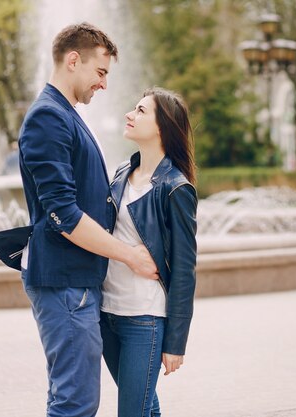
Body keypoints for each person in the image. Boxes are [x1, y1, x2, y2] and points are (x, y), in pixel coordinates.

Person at [0, 23, 158, 417]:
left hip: (74, 281)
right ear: (73, 60)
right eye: (100, 72)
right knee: (76, 404)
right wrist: (130, 256)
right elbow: (64, 215)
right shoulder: (48, 117)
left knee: (70, 399)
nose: (104, 85)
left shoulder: (62, 114)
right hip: (65, 281)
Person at [101, 87, 198, 417]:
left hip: (144, 318)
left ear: (162, 126)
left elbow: (185, 269)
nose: (130, 114)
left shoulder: (176, 187)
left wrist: (176, 342)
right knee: (144, 406)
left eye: (141, 111)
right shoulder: (121, 174)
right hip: (107, 313)